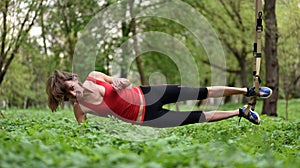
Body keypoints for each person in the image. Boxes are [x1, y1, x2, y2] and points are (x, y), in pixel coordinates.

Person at [46, 70, 272, 128]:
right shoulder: (80, 109)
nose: (74, 94)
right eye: (68, 95)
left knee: (200, 91)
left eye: (71, 88)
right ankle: (240, 112)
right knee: (197, 117)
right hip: (148, 117)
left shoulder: (94, 77)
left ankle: (247, 91)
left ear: (73, 78)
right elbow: (85, 137)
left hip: (148, 93)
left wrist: (120, 82)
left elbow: (123, 81)